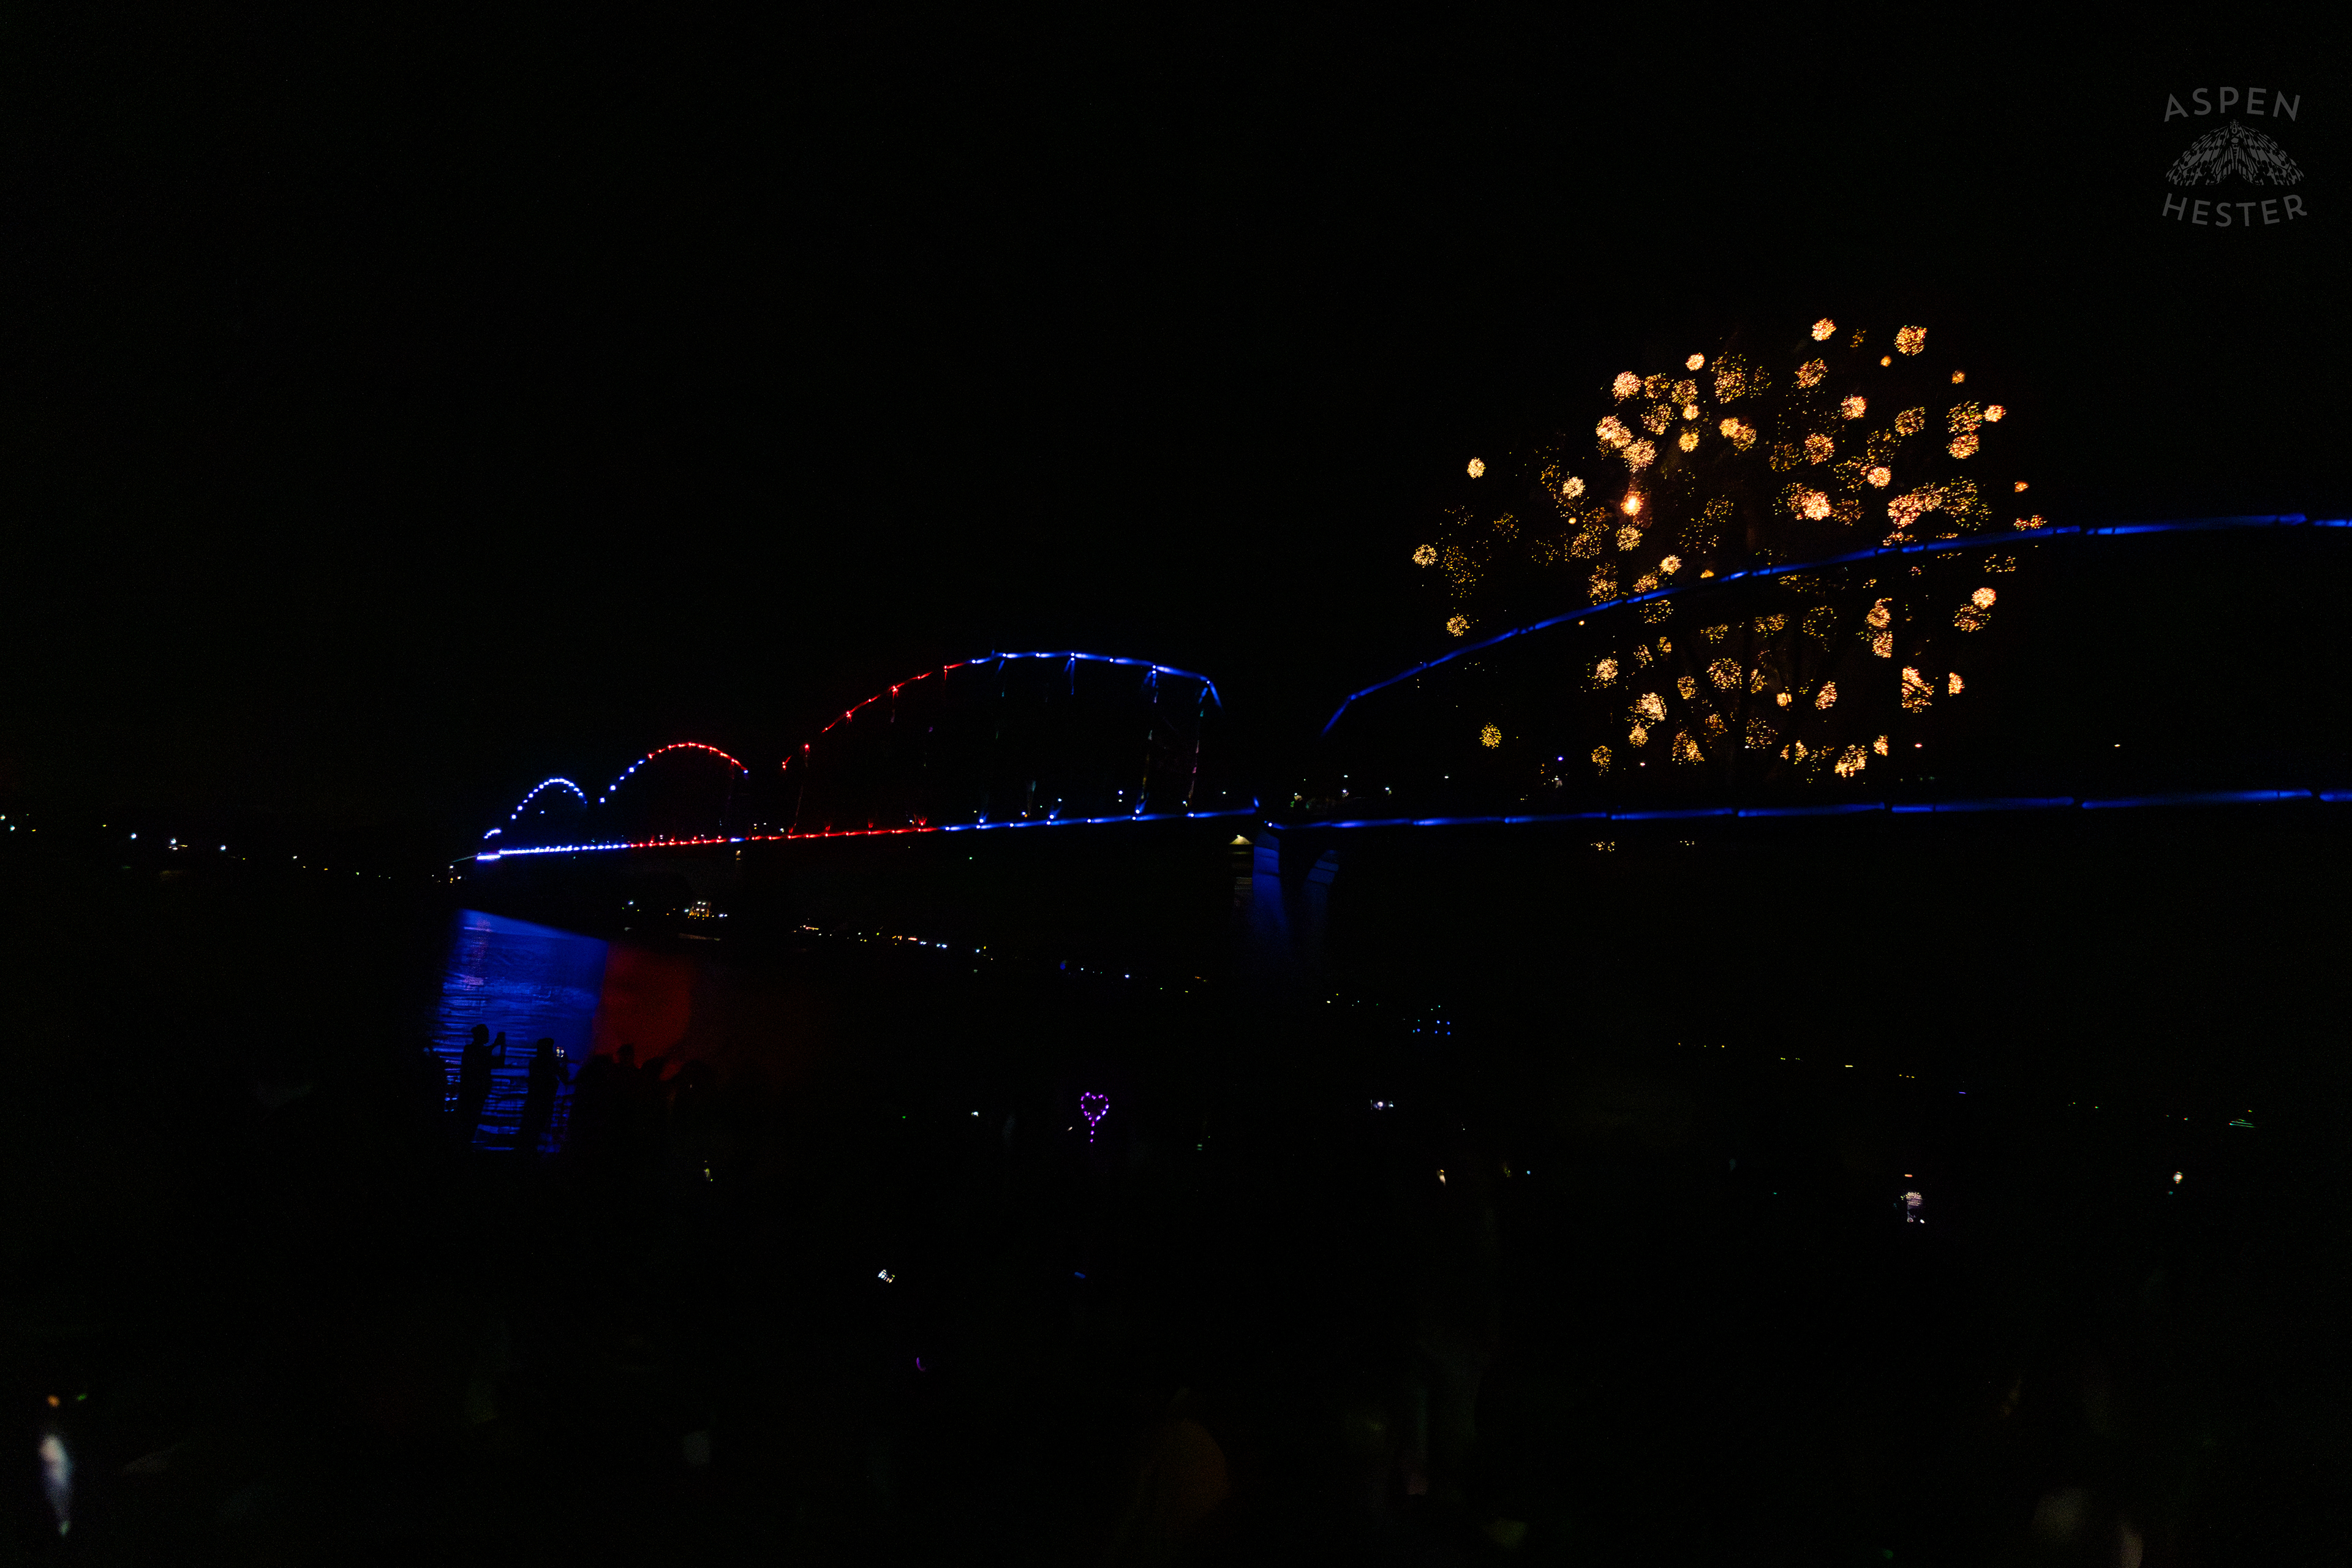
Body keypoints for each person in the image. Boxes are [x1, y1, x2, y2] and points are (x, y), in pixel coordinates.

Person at [514, 1038, 571, 1155]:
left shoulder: (536, 1062)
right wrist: (564, 1063)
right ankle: (533, 1155)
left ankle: (525, 1153)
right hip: (545, 1101)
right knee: (539, 1128)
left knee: (531, 1127)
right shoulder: (551, 1063)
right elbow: (565, 1079)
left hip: (534, 1101)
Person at [454, 1027, 503, 1145]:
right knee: (471, 1119)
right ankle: (463, 1144)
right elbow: (492, 1060)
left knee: (468, 1119)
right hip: (476, 1091)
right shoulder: (473, 1050)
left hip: (471, 1090)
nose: (488, 1037)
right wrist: (499, 1045)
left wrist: (495, 1046)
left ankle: (462, 1144)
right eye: (486, 1034)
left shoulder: (471, 1050)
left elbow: (486, 1056)